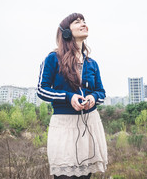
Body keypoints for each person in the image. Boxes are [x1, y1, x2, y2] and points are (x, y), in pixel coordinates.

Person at [37, 13, 108, 178]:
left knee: (85, 175)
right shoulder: (53, 58)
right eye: (78, 22)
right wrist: (69, 97)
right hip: (64, 126)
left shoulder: (92, 63)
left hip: (90, 124)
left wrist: (93, 98)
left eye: (84, 21)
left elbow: (102, 93)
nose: (83, 24)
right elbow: (42, 90)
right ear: (66, 32)